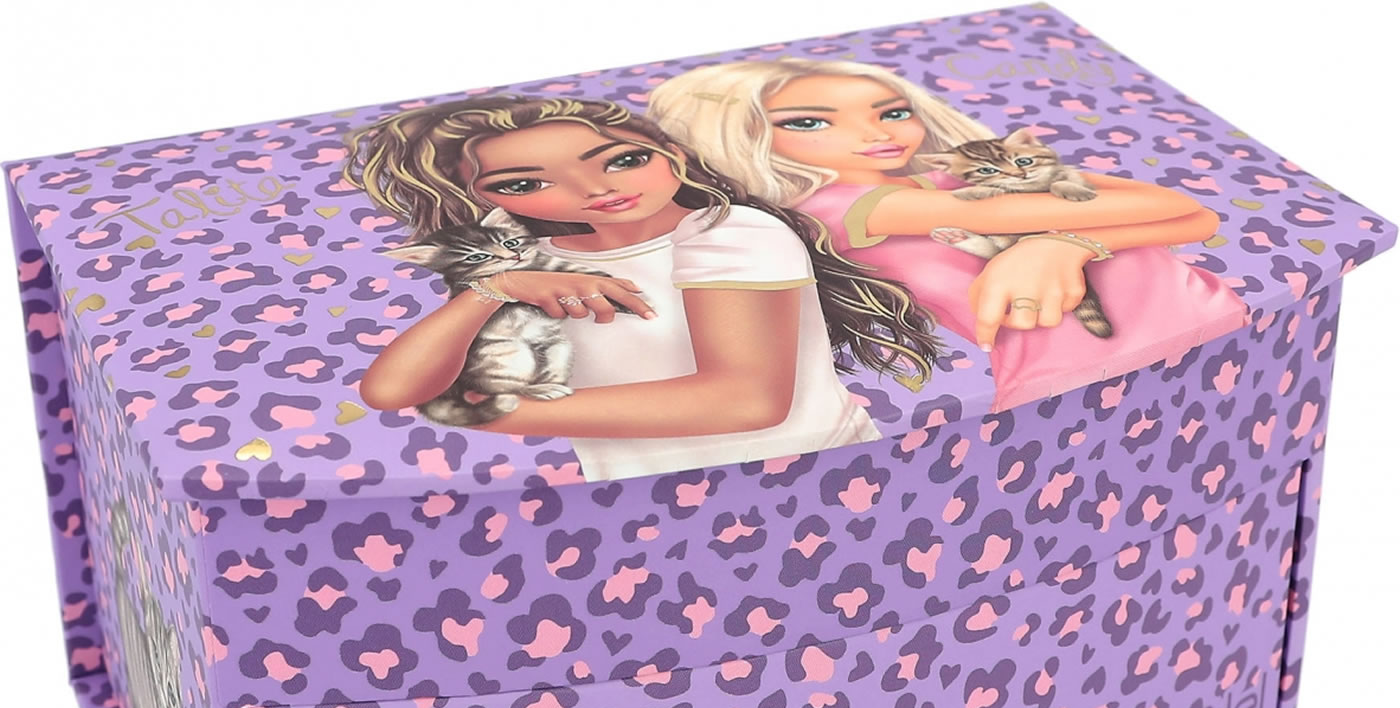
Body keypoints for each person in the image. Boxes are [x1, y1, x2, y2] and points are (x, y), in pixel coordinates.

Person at [342, 95, 944, 481]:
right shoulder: (531, 259)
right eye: (525, 184)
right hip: (642, 500)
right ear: (483, 199)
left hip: (809, 480)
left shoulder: (730, 230)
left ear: (672, 154)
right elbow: (393, 391)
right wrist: (492, 288)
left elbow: (746, 401)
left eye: (622, 160)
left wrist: (492, 413)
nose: (595, 189)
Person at [647, 60, 1249, 411]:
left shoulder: (959, 172)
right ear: (742, 134)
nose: (876, 133)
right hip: (1080, 375)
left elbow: (1191, 213)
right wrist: (1073, 231)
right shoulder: (842, 207)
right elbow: (1158, 210)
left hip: (1209, 321)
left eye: (892, 111)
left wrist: (1060, 245)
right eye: (809, 123)